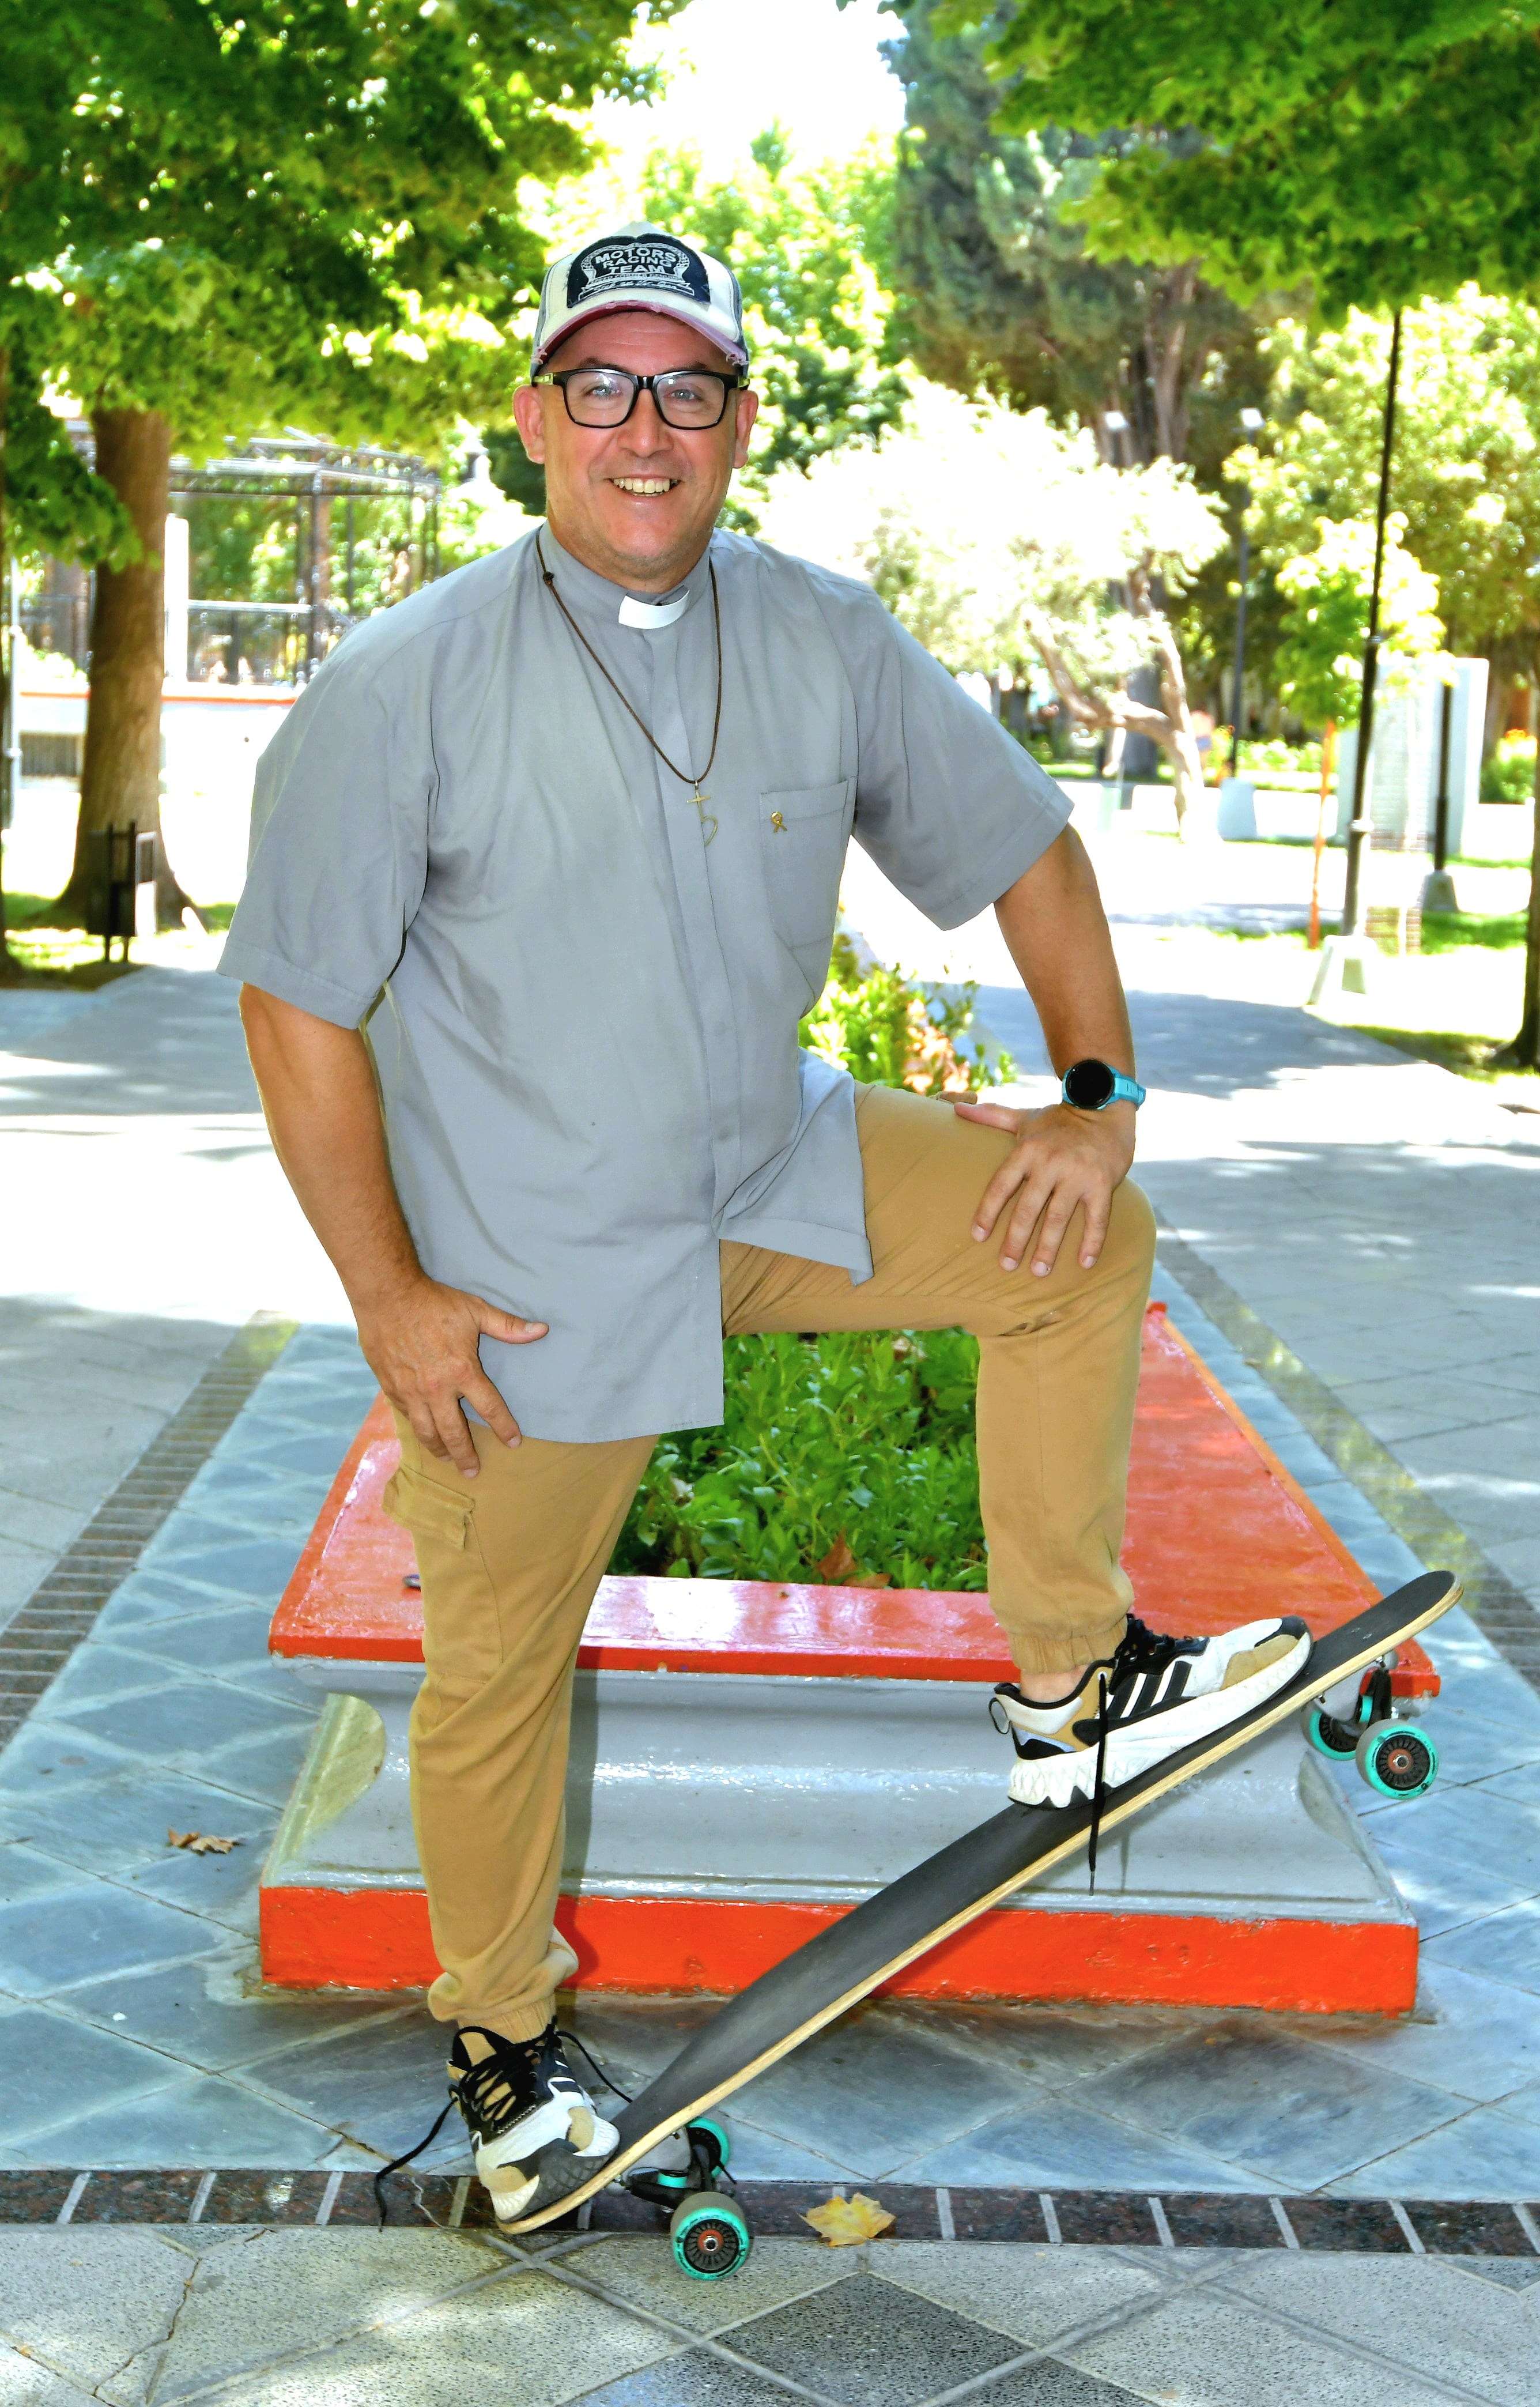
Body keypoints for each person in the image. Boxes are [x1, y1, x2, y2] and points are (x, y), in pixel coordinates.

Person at [221, 221, 1309, 2230]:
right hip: (528, 1264)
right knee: (495, 1666)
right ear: (539, 418)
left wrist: (1097, 1102)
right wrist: (390, 1298)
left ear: (739, 422)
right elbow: (294, 1002)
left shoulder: (824, 634)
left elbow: (1033, 856)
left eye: (691, 388)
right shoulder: (403, 685)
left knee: (1077, 1242)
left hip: (766, 1166)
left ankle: (1070, 1697)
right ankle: (503, 2052)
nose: (648, 429)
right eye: (606, 386)